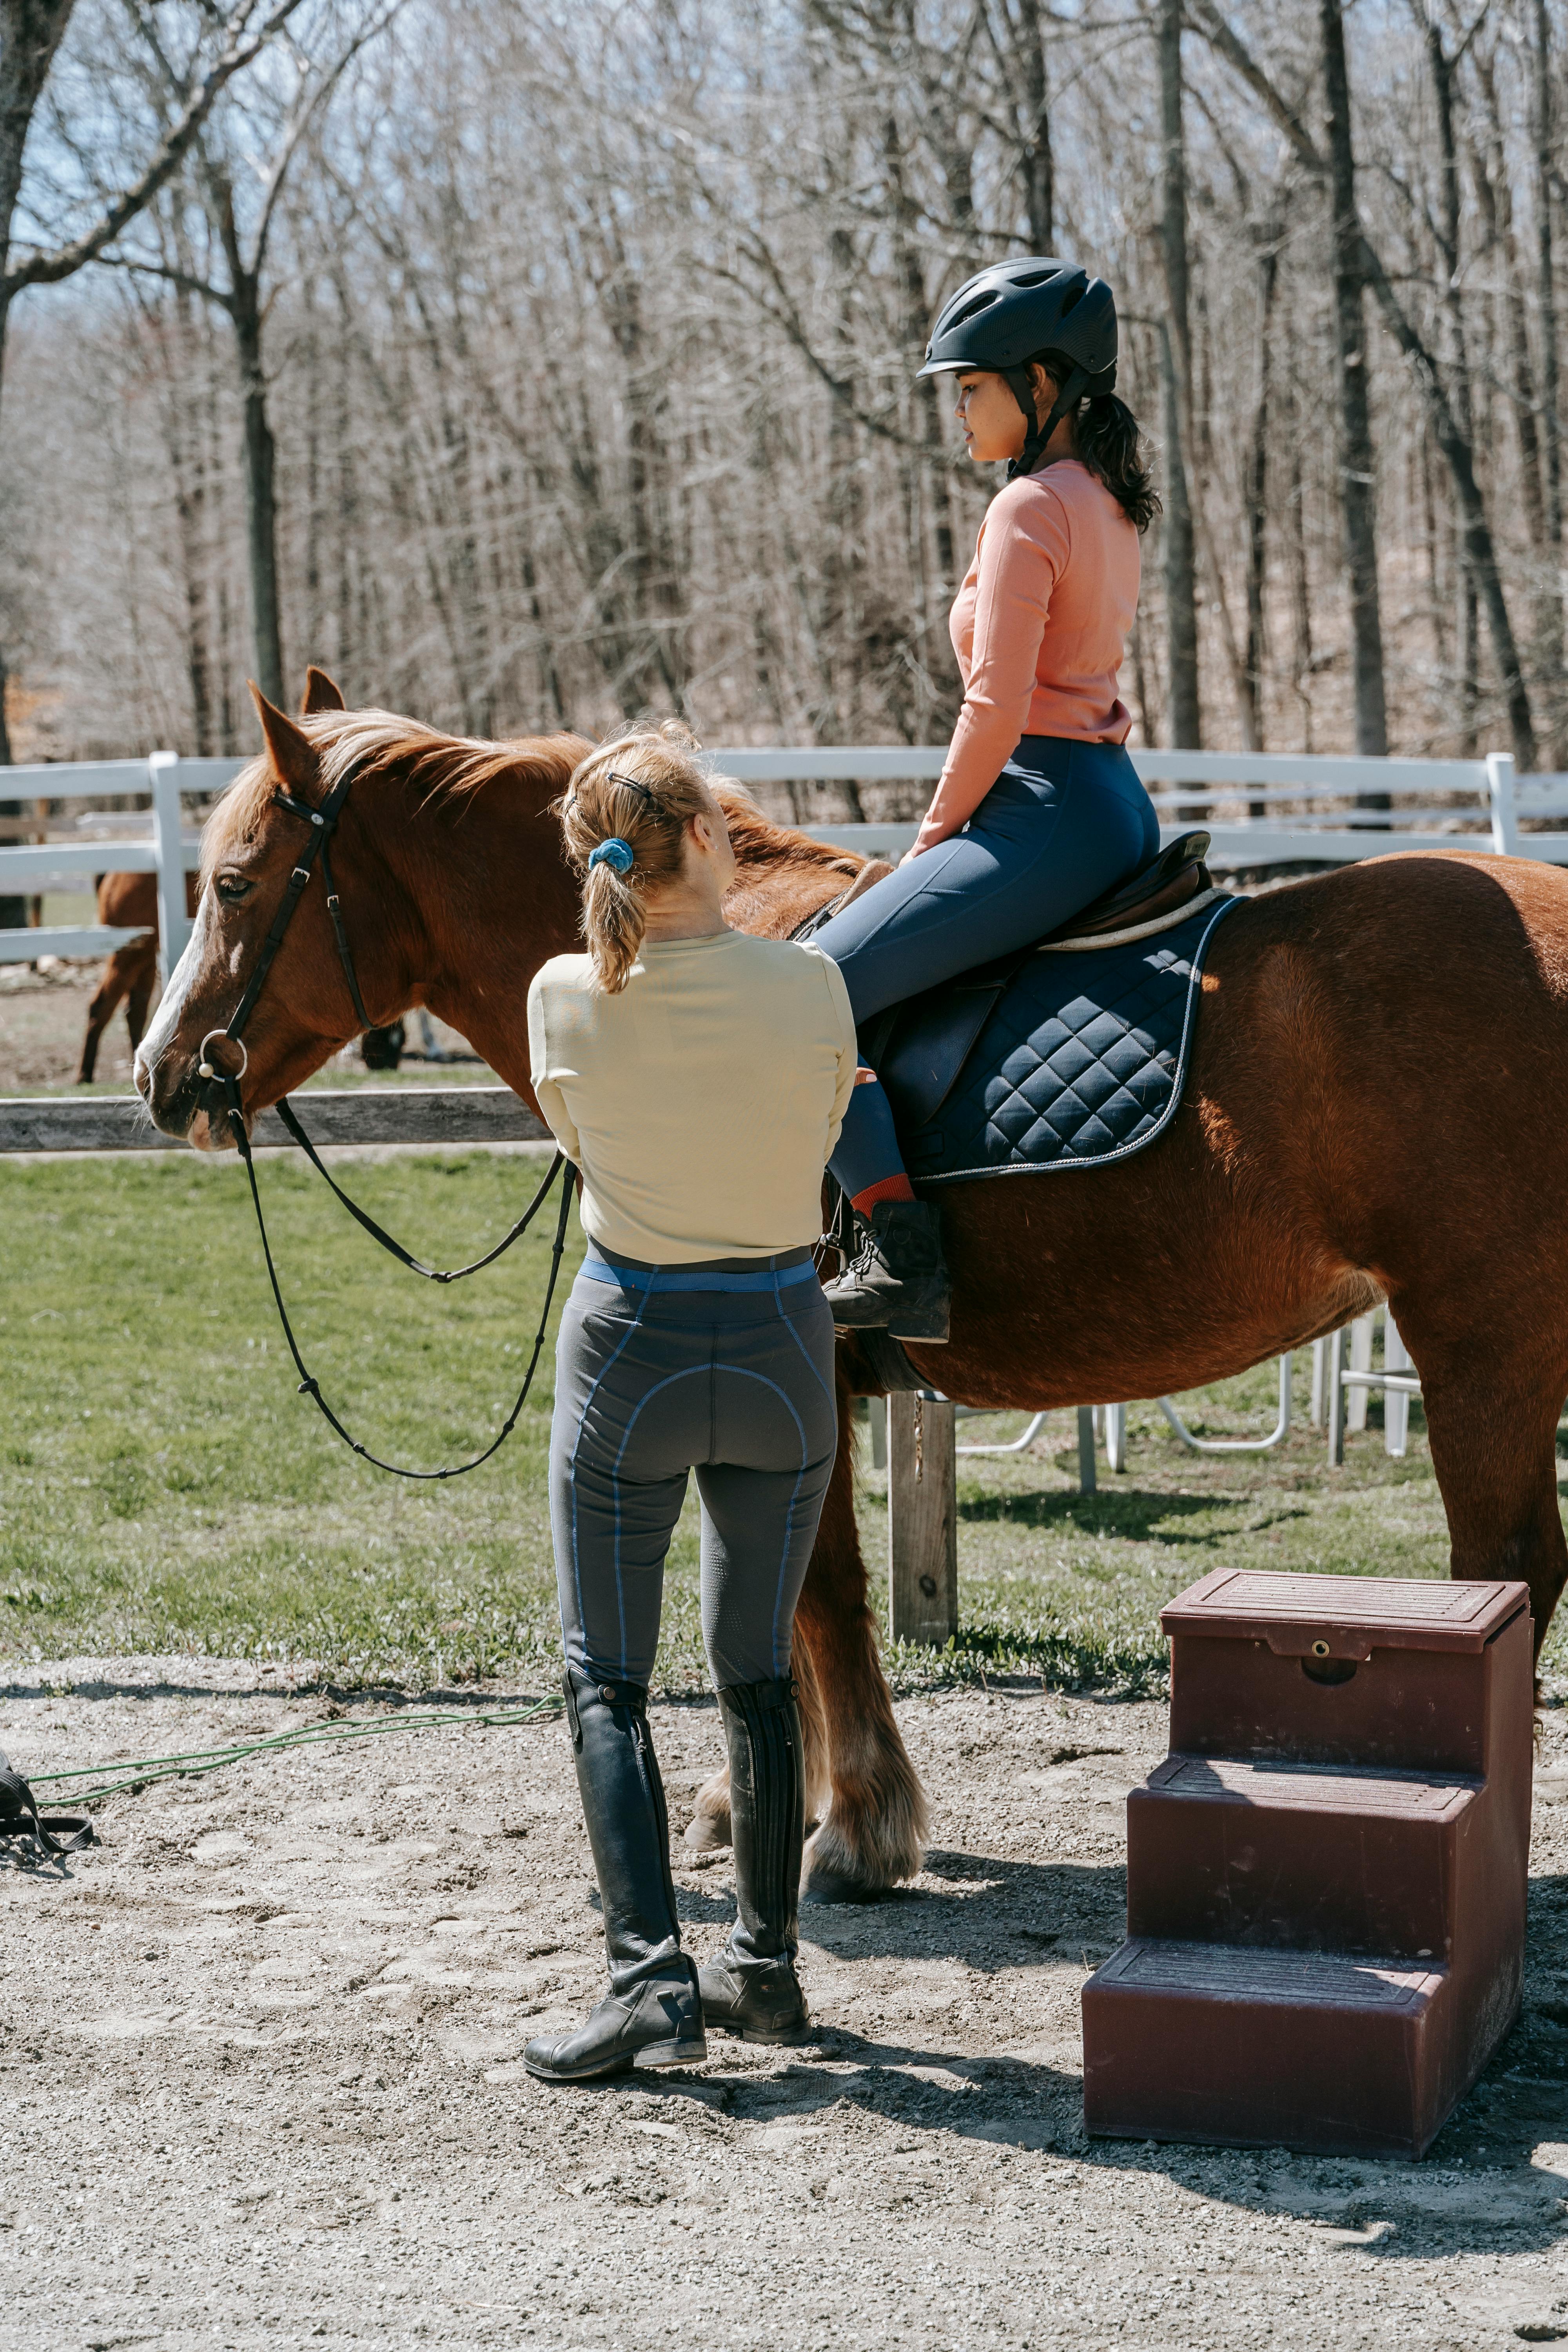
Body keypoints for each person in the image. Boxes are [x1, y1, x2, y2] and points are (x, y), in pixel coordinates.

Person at [523, 722, 858, 2083]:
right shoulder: (816, 988)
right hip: (781, 1341)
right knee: (761, 1671)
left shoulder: (561, 995)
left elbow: (578, 1142)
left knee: (608, 1675)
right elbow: (826, 1136)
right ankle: (767, 1976)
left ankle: (646, 1977)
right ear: (716, 838)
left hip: (632, 1351)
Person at [817, 257, 1162, 1344]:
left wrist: (930, 843)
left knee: (810, 989)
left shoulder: (1026, 505)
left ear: (1043, 382)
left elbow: (993, 710)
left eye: (973, 386)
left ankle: (898, 1250)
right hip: (1112, 801)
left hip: (1042, 803)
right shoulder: (1104, 499)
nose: (959, 406)